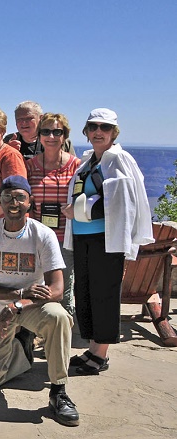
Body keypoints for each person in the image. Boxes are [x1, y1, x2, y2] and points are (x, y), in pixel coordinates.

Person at [0, 176, 79, 427]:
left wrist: (17, 306)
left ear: (30, 202)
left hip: (31, 307)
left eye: (20, 196)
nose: (13, 202)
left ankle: (59, 391)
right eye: (7, 197)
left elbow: (57, 289)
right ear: (0, 201)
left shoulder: (43, 234)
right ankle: (22, 351)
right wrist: (15, 296)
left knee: (59, 317)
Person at [63, 108, 153, 375]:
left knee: (103, 294)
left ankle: (100, 355)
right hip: (84, 237)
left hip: (106, 239)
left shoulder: (119, 159)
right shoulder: (90, 160)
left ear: (114, 132)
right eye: (93, 127)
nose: (98, 132)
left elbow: (122, 201)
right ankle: (92, 348)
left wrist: (78, 210)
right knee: (86, 293)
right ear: (86, 132)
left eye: (104, 128)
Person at [25, 113, 81, 314]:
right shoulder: (30, 166)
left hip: (65, 237)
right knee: (37, 285)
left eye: (57, 131)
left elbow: (86, 196)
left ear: (64, 135)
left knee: (62, 288)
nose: (51, 136)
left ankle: (63, 331)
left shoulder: (76, 166)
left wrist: (77, 207)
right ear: (39, 135)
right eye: (46, 131)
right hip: (37, 237)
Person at [5, 101, 75, 160]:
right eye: (19, 119)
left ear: (40, 118)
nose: (23, 122)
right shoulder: (9, 141)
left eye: (29, 118)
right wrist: (7, 153)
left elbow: (75, 169)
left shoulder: (57, 140)